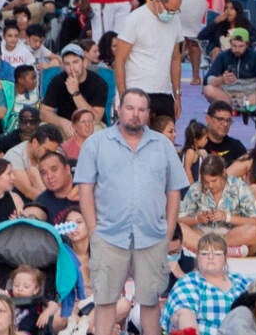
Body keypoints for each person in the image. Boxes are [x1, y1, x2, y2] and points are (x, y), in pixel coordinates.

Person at [75, 89, 188, 335]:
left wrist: (167, 233)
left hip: (152, 237)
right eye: (130, 108)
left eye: (141, 109)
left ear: (148, 114)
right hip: (109, 236)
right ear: (118, 108)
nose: (135, 115)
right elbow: (85, 190)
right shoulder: (96, 144)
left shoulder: (163, 146)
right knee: (105, 302)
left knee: (150, 303)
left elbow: (173, 193)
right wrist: (94, 231)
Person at [113, 0, 187, 119]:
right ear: (158, 2)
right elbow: (119, 60)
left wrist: (177, 96)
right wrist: (123, 97)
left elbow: (175, 59)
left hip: (164, 92)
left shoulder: (175, 20)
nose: (172, 14)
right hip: (137, 91)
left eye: (176, 11)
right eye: (169, 10)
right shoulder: (135, 18)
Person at [160, 233, 249, 335]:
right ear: (197, 257)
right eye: (204, 253)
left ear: (225, 258)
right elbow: (183, 313)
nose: (210, 257)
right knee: (184, 312)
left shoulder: (241, 281)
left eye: (217, 254)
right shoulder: (189, 282)